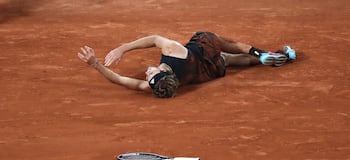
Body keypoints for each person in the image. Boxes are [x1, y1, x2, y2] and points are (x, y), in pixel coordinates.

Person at [77, 31, 296, 98]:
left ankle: (277, 56)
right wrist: (122, 47)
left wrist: (96, 64)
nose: (146, 74)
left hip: (208, 71)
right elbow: (155, 39)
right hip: (203, 52)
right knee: (229, 46)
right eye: (150, 73)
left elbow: (120, 80)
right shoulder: (172, 52)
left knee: (228, 60)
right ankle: (264, 54)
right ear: (162, 72)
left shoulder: (162, 84)